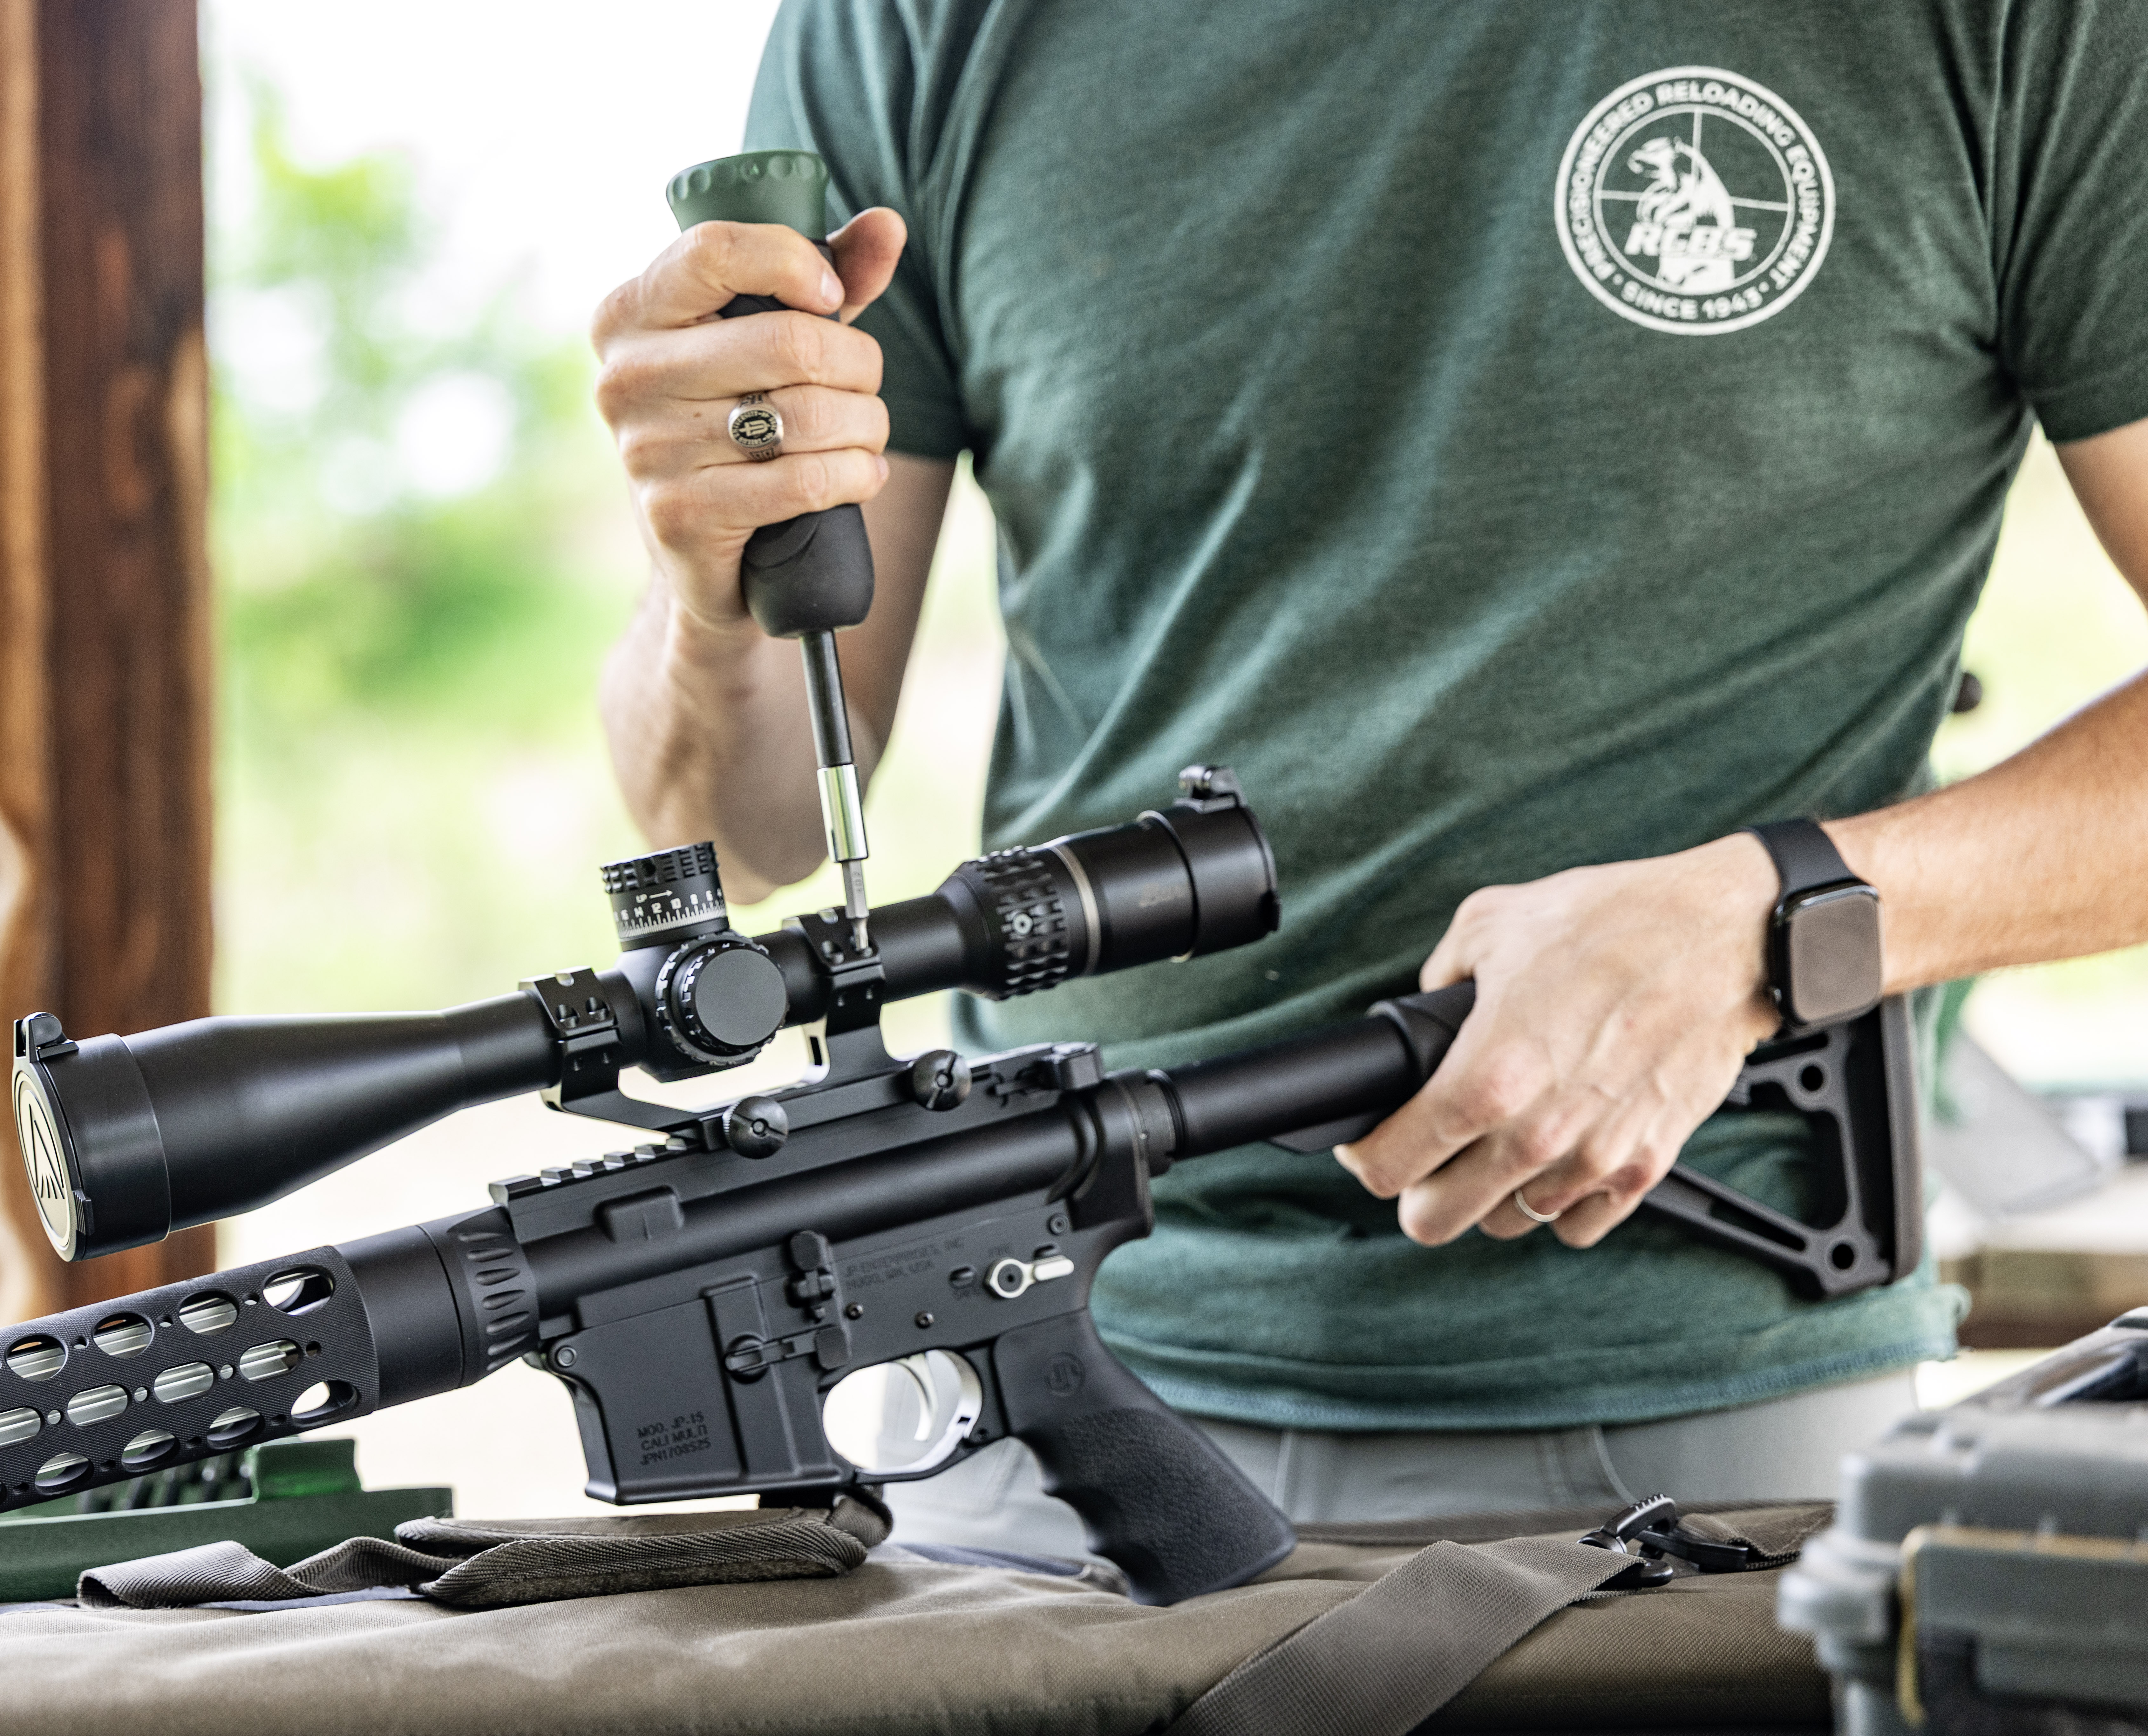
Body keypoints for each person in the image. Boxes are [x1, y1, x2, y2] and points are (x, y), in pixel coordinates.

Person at [590, 2, 2148, 1545]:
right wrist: (705, 574)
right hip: (1027, 1380)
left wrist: (1772, 919)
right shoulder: (907, 28)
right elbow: (746, 827)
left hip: (1721, 1410)